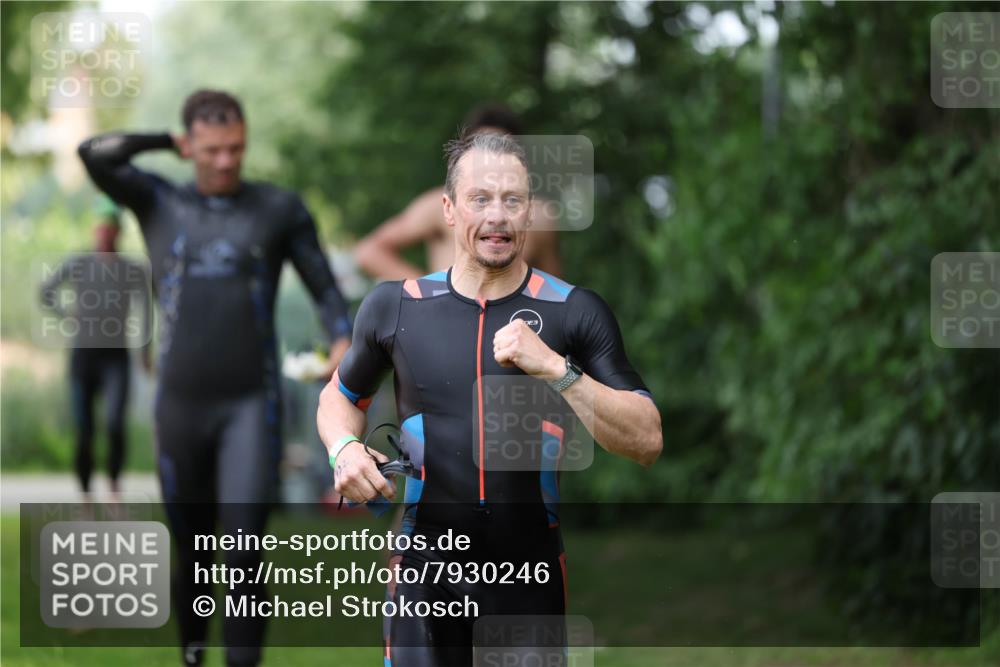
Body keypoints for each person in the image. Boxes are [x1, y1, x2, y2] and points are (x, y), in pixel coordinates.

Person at [318, 130, 662, 665]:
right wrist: (345, 449)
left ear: (529, 214)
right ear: (450, 211)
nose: (497, 215)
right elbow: (337, 398)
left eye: (512, 200)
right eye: (480, 199)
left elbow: (646, 439)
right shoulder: (397, 307)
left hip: (527, 570)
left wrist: (555, 368)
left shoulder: (574, 312)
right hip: (423, 567)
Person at [78, 89, 353, 667]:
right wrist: (162, 144)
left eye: (237, 148)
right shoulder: (156, 200)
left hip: (250, 405)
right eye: (213, 150)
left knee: (246, 551)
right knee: (194, 555)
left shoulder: (279, 208)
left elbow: (327, 291)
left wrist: (341, 341)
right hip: (180, 407)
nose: (227, 161)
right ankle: (194, 656)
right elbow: (94, 153)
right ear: (190, 146)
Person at [354, 104, 562, 280]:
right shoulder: (438, 205)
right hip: (445, 325)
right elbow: (370, 251)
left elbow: (553, 289)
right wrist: (428, 293)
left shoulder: (540, 215)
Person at [39, 196, 151, 502]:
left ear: (118, 233)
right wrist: (66, 314)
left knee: (115, 423)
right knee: (84, 429)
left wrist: (145, 350)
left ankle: (114, 485)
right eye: (100, 228)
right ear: (94, 230)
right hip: (83, 356)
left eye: (110, 229)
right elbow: (46, 291)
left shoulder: (133, 270)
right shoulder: (79, 263)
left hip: (115, 357)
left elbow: (145, 310)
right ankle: (86, 493)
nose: (104, 234)